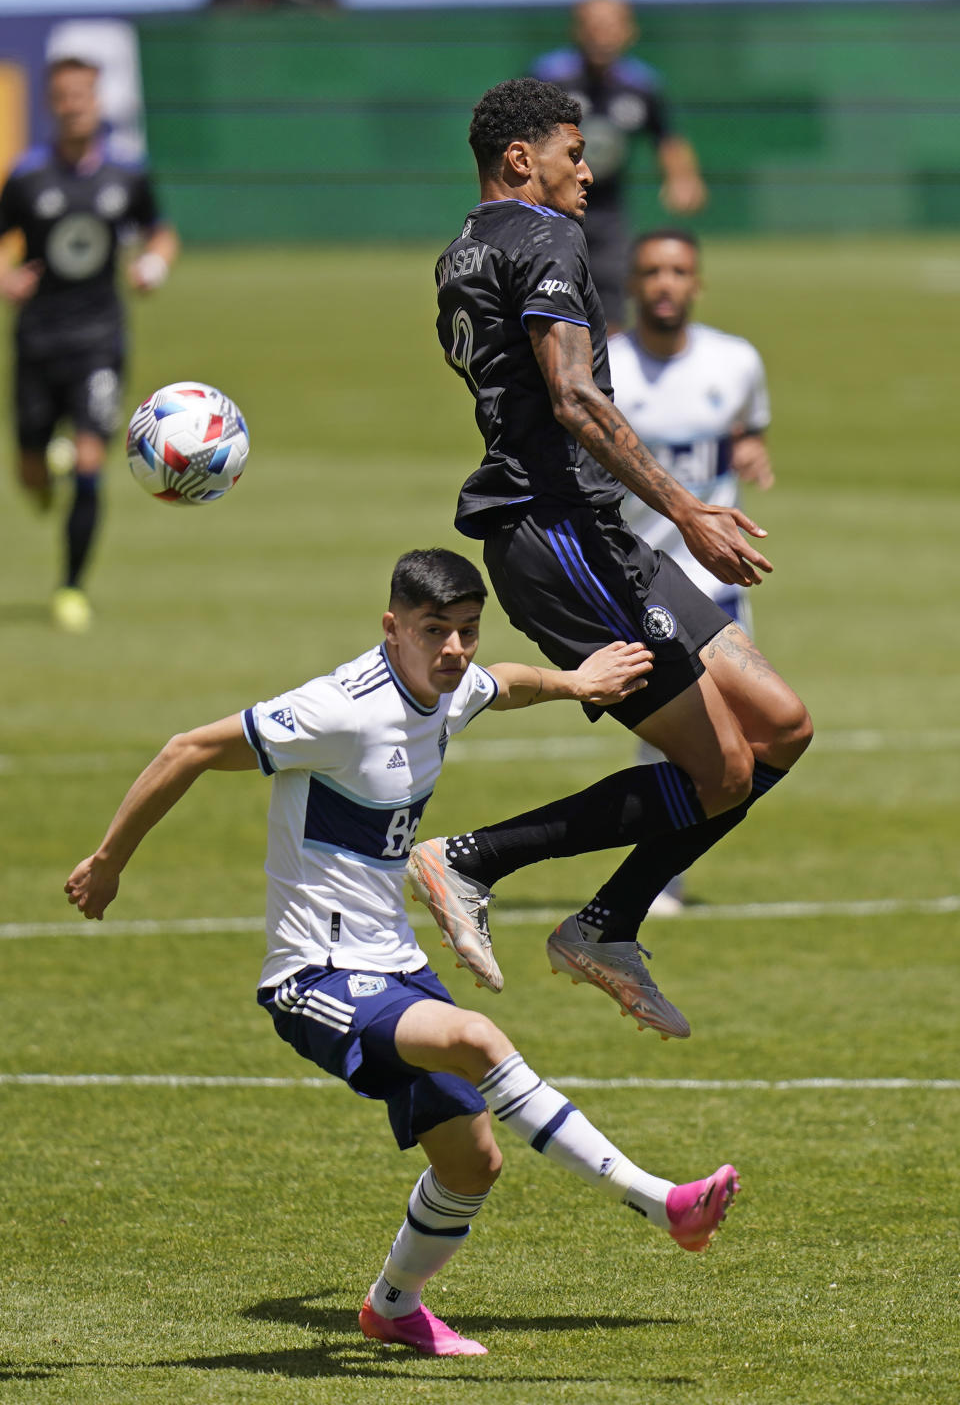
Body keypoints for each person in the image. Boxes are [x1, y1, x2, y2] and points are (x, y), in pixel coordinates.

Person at [64, 548, 739, 1358]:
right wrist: (109, 863)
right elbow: (188, 749)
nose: (455, 650)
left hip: (394, 965)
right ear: (392, 628)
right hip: (314, 976)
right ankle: (664, 1203)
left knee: (472, 1163)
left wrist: (579, 682)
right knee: (477, 1040)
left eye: (465, 631)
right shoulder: (337, 712)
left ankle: (393, 1307)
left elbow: (504, 684)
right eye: (433, 632)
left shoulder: (446, 685)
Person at [424, 77, 812, 1040]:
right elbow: (574, 398)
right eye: (573, 152)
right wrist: (687, 509)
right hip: (559, 531)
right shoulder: (545, 236)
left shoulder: (461, 252)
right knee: (722, 770)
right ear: (523, 159)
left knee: (783, 726)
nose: (589, 173)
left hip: (589, 532)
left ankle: (605, 924)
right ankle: (476, 861)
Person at [610, 227, 774, 913]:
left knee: (750, 735)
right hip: (641, 580)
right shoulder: (604, 367)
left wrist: (749, 453)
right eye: (652, 271)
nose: (665, 284)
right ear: (633, 284)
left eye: (678, 271)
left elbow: (748, 425)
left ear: (697, 282)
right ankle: (657, 882)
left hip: (719, 584)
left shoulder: (735, 362)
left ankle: (661, 869)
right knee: (681, 735)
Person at [0, 56, 179, 632]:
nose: (73, 105)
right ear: (51, 104)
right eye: (63, 97)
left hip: (98, 338)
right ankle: (41, 467)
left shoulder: (126, 176)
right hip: (37, 337)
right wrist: (5, 278)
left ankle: (71, 586)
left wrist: (153, 263)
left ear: (97, 102)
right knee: (31, 476)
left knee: (88, 460)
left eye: (82, 95)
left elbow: (161, 230)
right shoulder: (27, 176)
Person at [532, 0, 706, 333]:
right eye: (593, 26)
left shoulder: (640, 84)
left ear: (629, 33)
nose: (602, 35)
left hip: (608, 213)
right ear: (577, 31)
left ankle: (606, 378)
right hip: (551, 209)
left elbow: (666, 137)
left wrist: (682, 178)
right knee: (547, 301)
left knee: (610, 304)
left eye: (610, 27)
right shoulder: (550, 78)